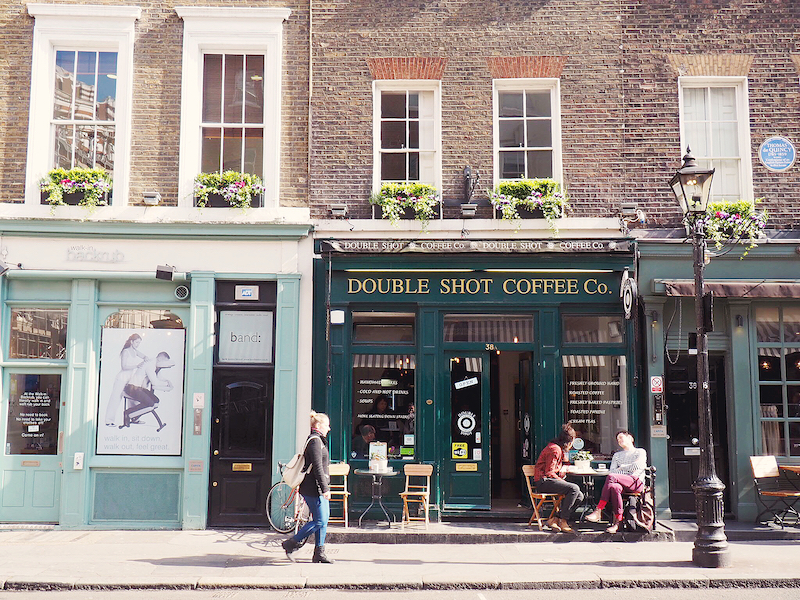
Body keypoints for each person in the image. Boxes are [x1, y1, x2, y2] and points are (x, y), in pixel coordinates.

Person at [282, 411, 334, 564]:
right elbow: (317, 467)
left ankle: (319, 552)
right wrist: (325, 489)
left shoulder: (318, 440)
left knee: (323, 520)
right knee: (319, 520)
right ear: (318, 425)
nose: (329, 428)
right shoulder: (315, 441)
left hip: (317, 487)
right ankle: (291, 543)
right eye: (327, 425)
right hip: (313, 488)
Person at [585, 430, 648, 533]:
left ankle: (598, 510)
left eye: (621, 437)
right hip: (621, 483)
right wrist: (625, 469)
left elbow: (638, 466)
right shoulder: (617, 455)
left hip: (635, 482)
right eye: (617, 439)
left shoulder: (640, 452)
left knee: (612, 477)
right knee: (614, 487)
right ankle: (618, 523)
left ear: (630, 438)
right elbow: (613, 470)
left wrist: (621, 468)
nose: (619, 440)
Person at [532, 423, 584, 533]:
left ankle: (555, 518)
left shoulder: (558, 449)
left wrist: (565, 468)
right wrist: (561, 479)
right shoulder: (554, 449)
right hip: (544, 481)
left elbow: (559, 466)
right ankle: (564, 520)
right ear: (569, 442)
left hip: (550, 480)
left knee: (579, 496)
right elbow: (549, 472)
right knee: (574, 488)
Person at [119, 352, 174, 430]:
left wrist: (167, 381)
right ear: (160, 359)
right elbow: (155, 382)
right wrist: (166, 384)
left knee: (156, 401)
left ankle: (135, 416)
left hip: (139, 388)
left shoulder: (156, 364)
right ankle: (127, 414)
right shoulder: (151, 364)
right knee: (150, 404)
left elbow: (159, 377)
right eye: (165, 362)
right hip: (132, 388)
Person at [104, 333, 148, 426]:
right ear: (131, 342)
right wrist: (137, 365)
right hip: (122, 378)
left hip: (130, 378)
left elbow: (144, 357)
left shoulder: (135, 351)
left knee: (133, 398)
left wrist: (147, 360)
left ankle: (134, 418)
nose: (137, 344)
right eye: (136, 342)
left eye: (139, 343)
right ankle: (109, 420)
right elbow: (124, 366)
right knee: (116, 398)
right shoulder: (126, 351)